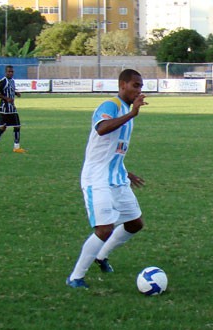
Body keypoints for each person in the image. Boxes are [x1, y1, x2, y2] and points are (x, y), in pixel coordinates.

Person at [67, 69, 148, 288]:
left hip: (117, 176)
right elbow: (102, 129)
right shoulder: (110, 105)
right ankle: (76, 277)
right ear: (122, 85)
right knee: (104, 229)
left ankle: (100, 256)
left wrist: (125, 171)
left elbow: (113, 149)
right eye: (135, 85)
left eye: (141, 86)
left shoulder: (126, 111)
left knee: (134, 223)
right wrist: (132, 114)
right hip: (97, 178)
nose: (139, 90)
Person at [0, 65, 26, 154]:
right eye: (9, 72)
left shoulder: (12, 81)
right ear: (6, 72)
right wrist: (6, 98)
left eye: (12, 72)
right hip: (6, 108)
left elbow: (11, 89)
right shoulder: (3, 81)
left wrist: (16, 93)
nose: (10, 73)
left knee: (7, 127)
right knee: (13, 126)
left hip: (11, 108)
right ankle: (15, 147)